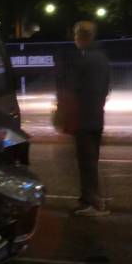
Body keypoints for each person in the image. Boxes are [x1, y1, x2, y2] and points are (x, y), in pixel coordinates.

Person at [56, 21, 111, 216]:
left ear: (82, 36)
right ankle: (92, 199)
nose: (74, 39)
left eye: (76, 35)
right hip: (96, 117)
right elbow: (106, 89)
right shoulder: (103, 59)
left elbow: (73, 89)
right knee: (91, 161)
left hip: (83, 119)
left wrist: (63, 113)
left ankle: (91, 202)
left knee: (85, 163)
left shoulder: (84, 59)